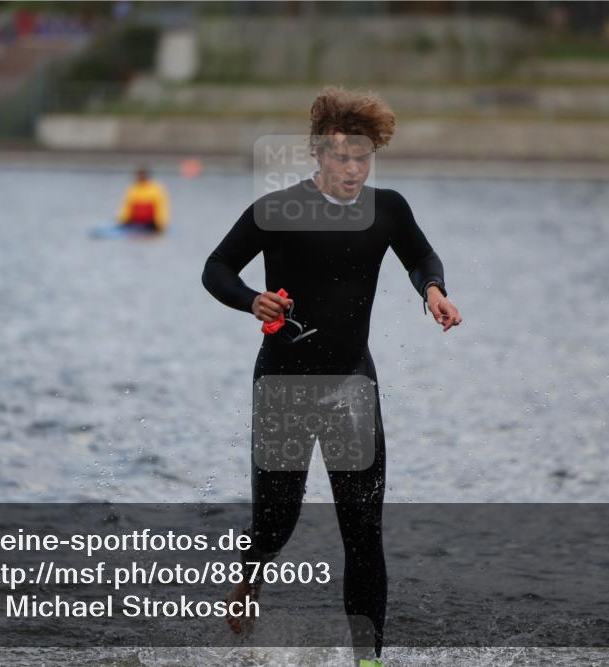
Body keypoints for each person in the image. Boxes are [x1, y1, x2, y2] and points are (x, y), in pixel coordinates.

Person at [201, 87, 462, 667]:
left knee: (363, 531)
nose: (352, 169)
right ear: (318, 155)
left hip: (351, 387)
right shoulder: (276, 210)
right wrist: (251, 300)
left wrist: (434, 292)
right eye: (342, 158)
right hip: (285, 387)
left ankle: (367, 662)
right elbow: (215, 268)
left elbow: (421, 257)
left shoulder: (388, 209)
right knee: (275, 522)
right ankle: (250, 576)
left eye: (363, 159)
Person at [116, 167, 169, 232]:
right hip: (134, 222)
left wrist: (161, 224)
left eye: (141, 176)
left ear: (146, 176)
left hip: (150, 223)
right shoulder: (133, 188)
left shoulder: (156, 189)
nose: (139, 178)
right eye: (138, 176)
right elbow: (126, 207)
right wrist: (122, 220)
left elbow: (161, 207)